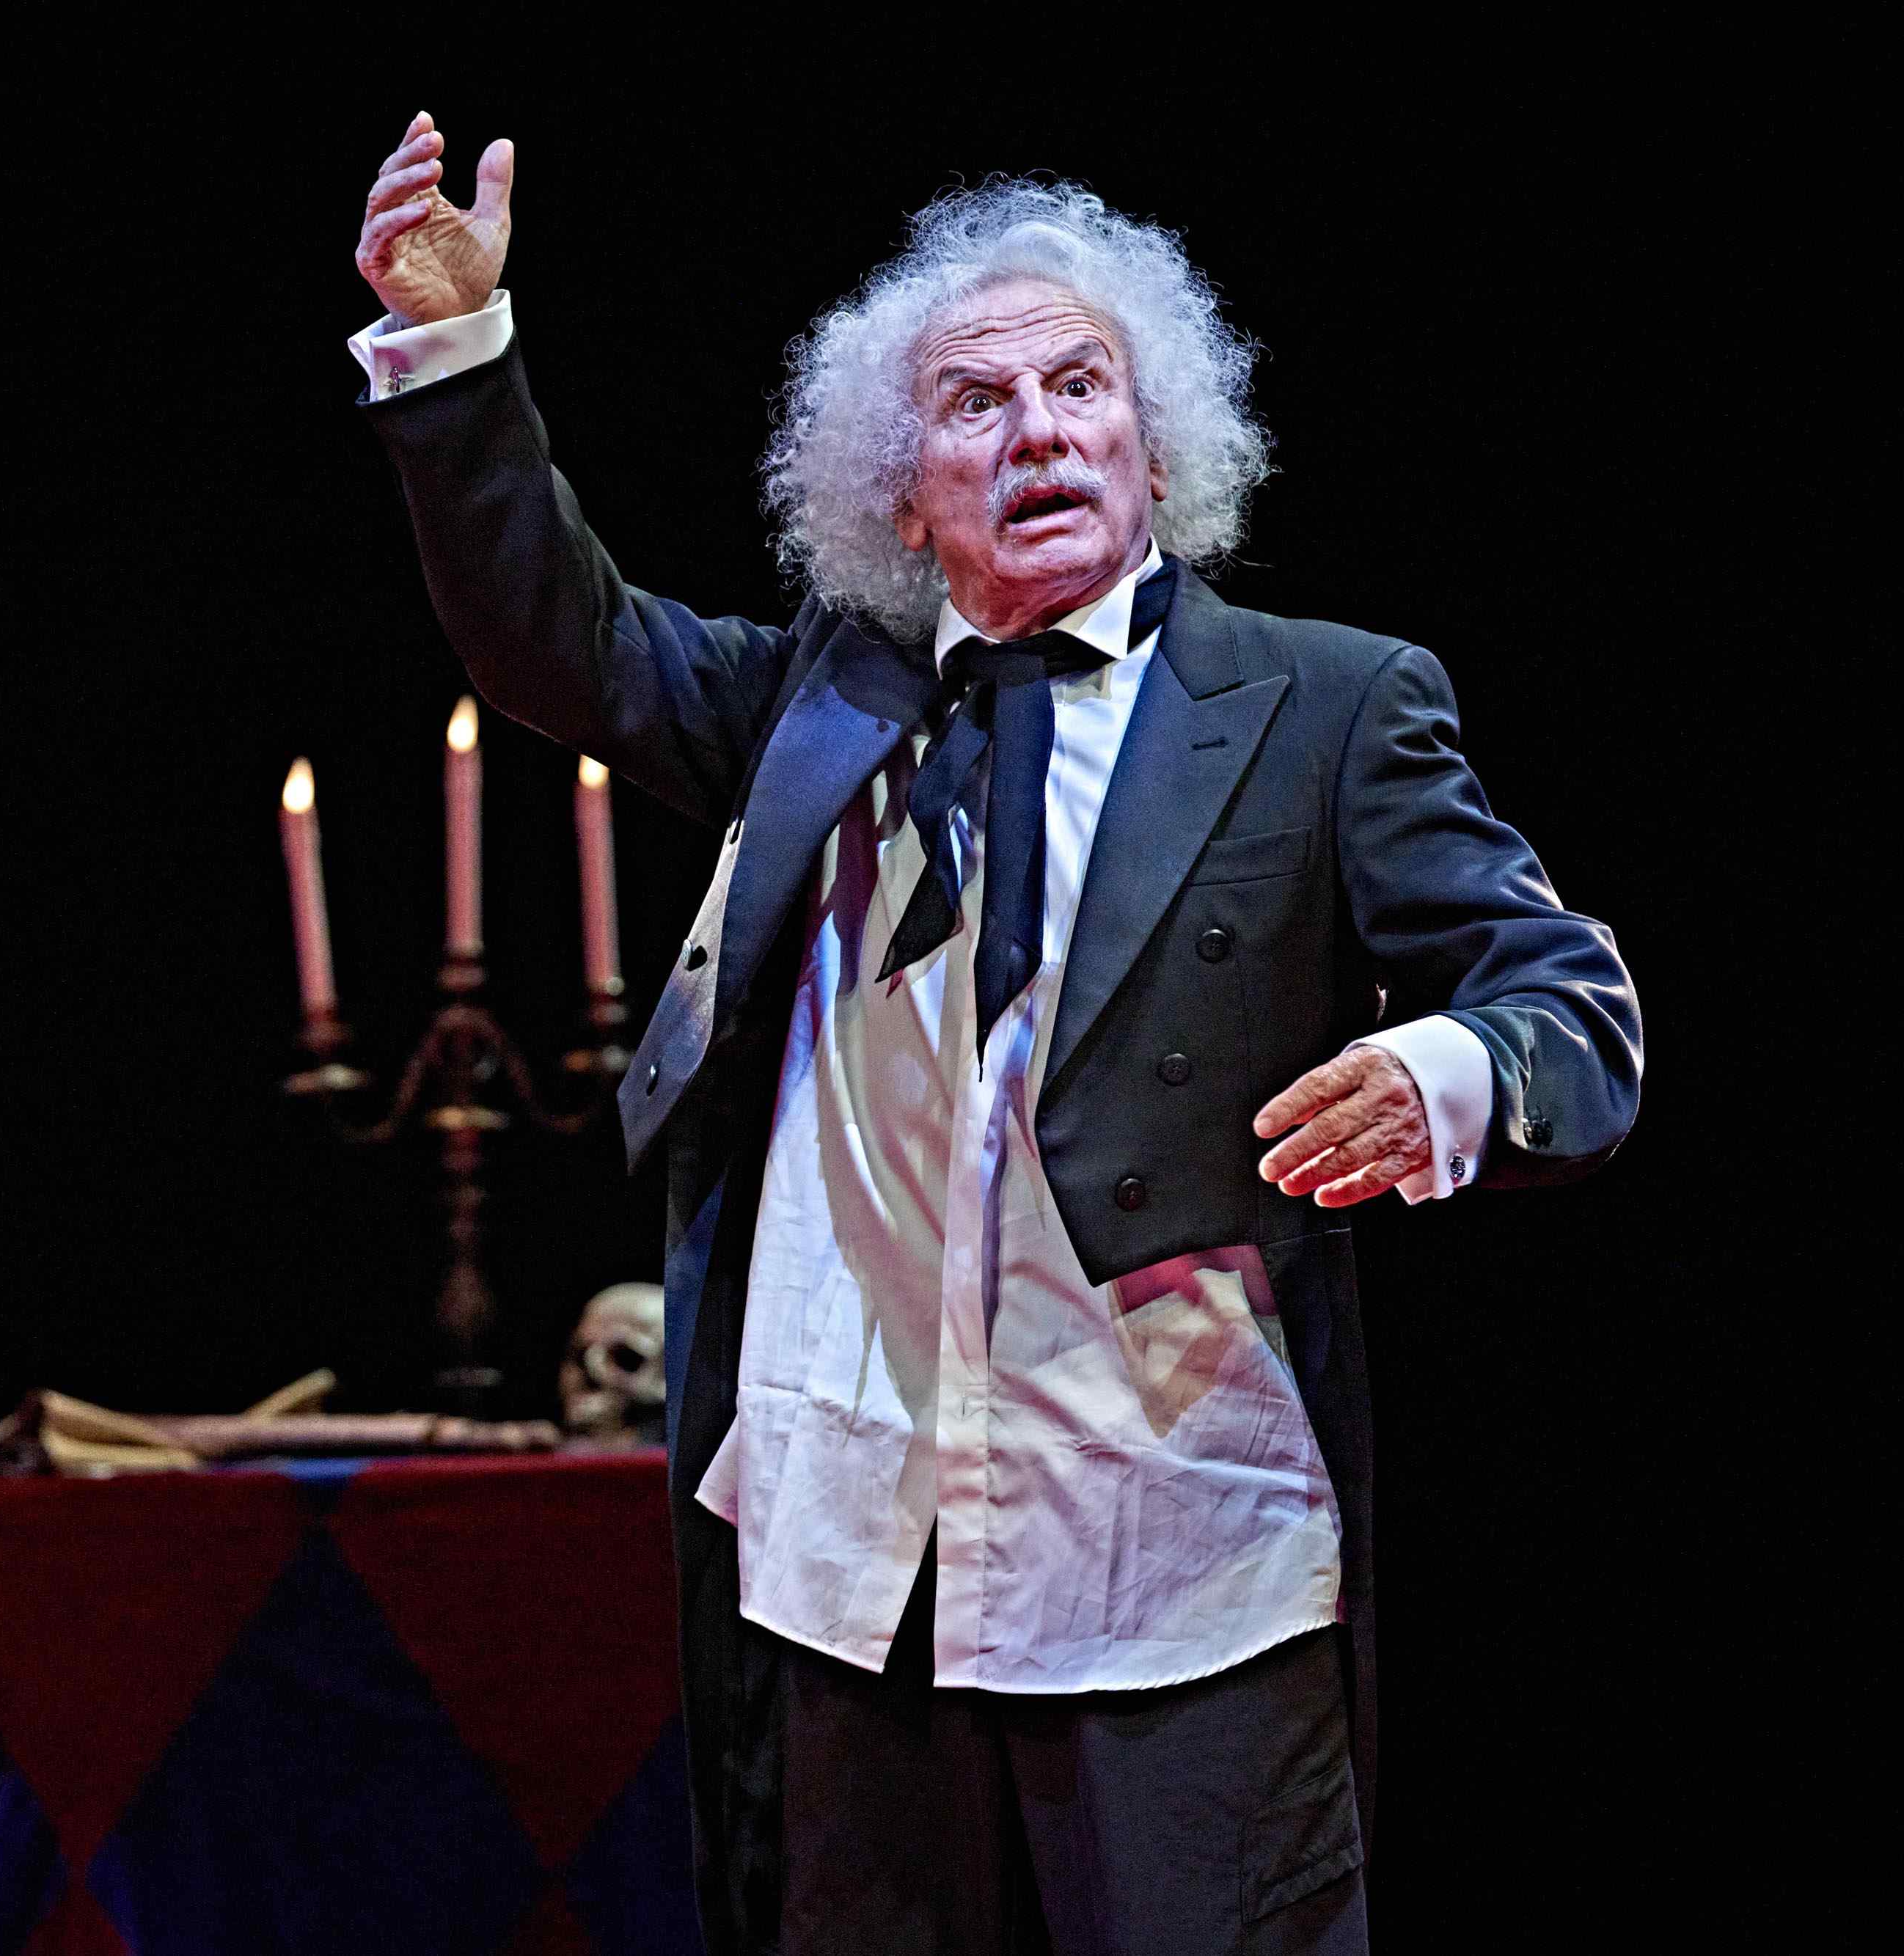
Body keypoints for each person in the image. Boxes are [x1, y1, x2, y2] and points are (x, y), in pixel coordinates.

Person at [345, 114, 1641, 1956]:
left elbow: (1565, 1001)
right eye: (974, 404)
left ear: (1152, 446)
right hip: (851, 1565)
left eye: (1077, 387)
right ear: (898, 496)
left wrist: (1445, 1069)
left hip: (1170, 1566)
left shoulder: (1325, 704)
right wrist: (455, 354)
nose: (1036, 432)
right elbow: (559, 634)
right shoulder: (814, 706)